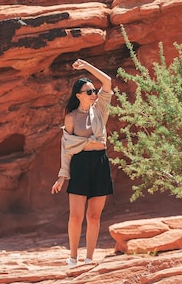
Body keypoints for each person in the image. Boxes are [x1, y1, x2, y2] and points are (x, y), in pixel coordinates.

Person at [51, 59, 114, 266]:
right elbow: (66, 147)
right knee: (76, 216)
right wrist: (63, 175)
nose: (93, 94)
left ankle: (89, 259)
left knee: (94, 216)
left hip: (99, 163)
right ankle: (72, 258)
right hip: (79, 165)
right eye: (88, 91)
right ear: (78, 95)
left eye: (93, 90)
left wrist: (87, 66)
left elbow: (107, 81)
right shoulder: (71, 117)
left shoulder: (101, 108)